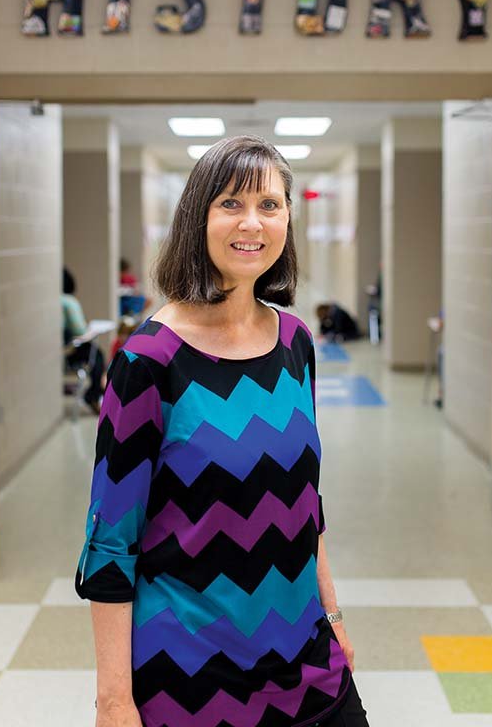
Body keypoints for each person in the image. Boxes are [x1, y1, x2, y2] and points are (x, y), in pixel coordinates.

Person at [74, 136, 369, 727]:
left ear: (288, 218)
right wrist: (113, 700)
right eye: (231, 203)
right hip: (191, 678)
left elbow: (304, 503)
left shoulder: (295, 344)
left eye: (270, 204)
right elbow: (110, 544)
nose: (252, 223)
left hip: (307, 661)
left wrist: (333, 617)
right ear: (197, 218)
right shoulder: (148, 362)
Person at [62, 267, 105, 416]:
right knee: (97, 355)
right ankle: (93, 394)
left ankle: (95, 392)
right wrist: (90, 330)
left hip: (58, 352)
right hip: (68, 351)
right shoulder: (68, 301)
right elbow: (79, 330)